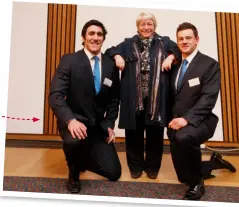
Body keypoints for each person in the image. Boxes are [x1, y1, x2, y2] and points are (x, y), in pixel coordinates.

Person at [48, 19, 121, 193]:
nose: (95, 38)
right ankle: (73, 172)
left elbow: (114, 99)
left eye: (99, 34)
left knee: (113, 172)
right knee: (73, 141)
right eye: (91, 33)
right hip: (75, 122)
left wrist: (110, 124)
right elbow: (55, 95)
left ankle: (80, 156)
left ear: (103, 39)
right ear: (83, 37)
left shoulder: (110, 65)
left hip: (97, 126)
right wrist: (70, 120)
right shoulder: (70, 60)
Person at [105, 12, 180, 179]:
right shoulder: (127, 44)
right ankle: (135, 167)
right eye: (143, 24)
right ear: (137, 27)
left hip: (157, 99)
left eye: (149, 24)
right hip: (134, 99)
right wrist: (117, 56)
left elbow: (180, 50)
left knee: (156, 135)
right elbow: (110, 50)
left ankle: (153, 168)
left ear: (155, 26)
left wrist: (172, 56)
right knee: (133, 135)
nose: (146, 27)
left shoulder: (165, 42)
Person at [167, 22, 227, 200]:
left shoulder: (209, 65)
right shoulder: (176, 65)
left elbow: (208, 98)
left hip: (202, 121)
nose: (184, 41)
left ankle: (197, 184)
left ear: (197, 39)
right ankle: (214, 163)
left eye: (188, 38)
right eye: (180, 39)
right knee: (182, 177)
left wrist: (186, 119)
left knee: (184, 137)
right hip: (177, 122)